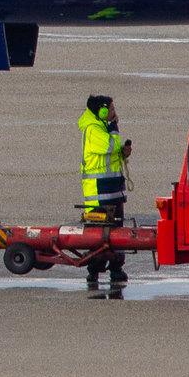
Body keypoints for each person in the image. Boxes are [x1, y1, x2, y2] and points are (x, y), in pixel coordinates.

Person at [78, 95, 132, 299]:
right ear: (101, 111)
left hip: (113, 190)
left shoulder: (101, 128)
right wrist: (114, 128)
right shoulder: (94, 129)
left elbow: (112, 153)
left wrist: (124, 154)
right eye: (111, 108)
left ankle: (116, 268)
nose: (113, 111)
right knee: (98, 235)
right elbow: (109, 147)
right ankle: (94, 270)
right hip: (99, 193)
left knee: (117, 230)